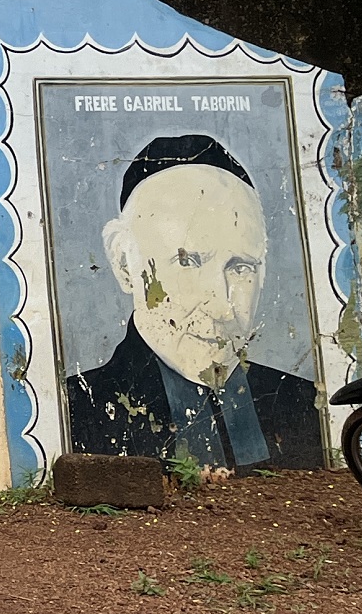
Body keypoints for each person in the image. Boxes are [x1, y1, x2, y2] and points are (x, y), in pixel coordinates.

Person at [65, 133, 322, 469]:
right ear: (125, 264)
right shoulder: (78, 409)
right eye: (187, 261)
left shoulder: (302, 403)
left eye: (240, 267)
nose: (220, 305)